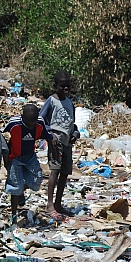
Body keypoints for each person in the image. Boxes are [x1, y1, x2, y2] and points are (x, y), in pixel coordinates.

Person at [3, 104, 57, 222]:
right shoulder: (14, 123)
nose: (31, 126)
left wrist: (54, 152)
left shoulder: (39, 122)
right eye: (28, 123)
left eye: (33, 123)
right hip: (15, 157)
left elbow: (47, 136)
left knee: (36, 182)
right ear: (22, 117)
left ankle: (21, 190)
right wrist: (5, 159)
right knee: (15, 186)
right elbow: (2, 136)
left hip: (30, 156)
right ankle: (14, 215)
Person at [39, 71, 80, 219]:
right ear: (55, 86)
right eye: (62, 86)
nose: (66, 89)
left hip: (67, 142)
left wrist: (75, 133)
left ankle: (58, 203)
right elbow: (40, 120)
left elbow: (72, 123)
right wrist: (50, 134)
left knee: (64, 173)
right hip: (56, 143)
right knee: (54, 171)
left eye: (68, 86)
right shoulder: (51, 101)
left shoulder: (70, 102)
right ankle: (49, 204)